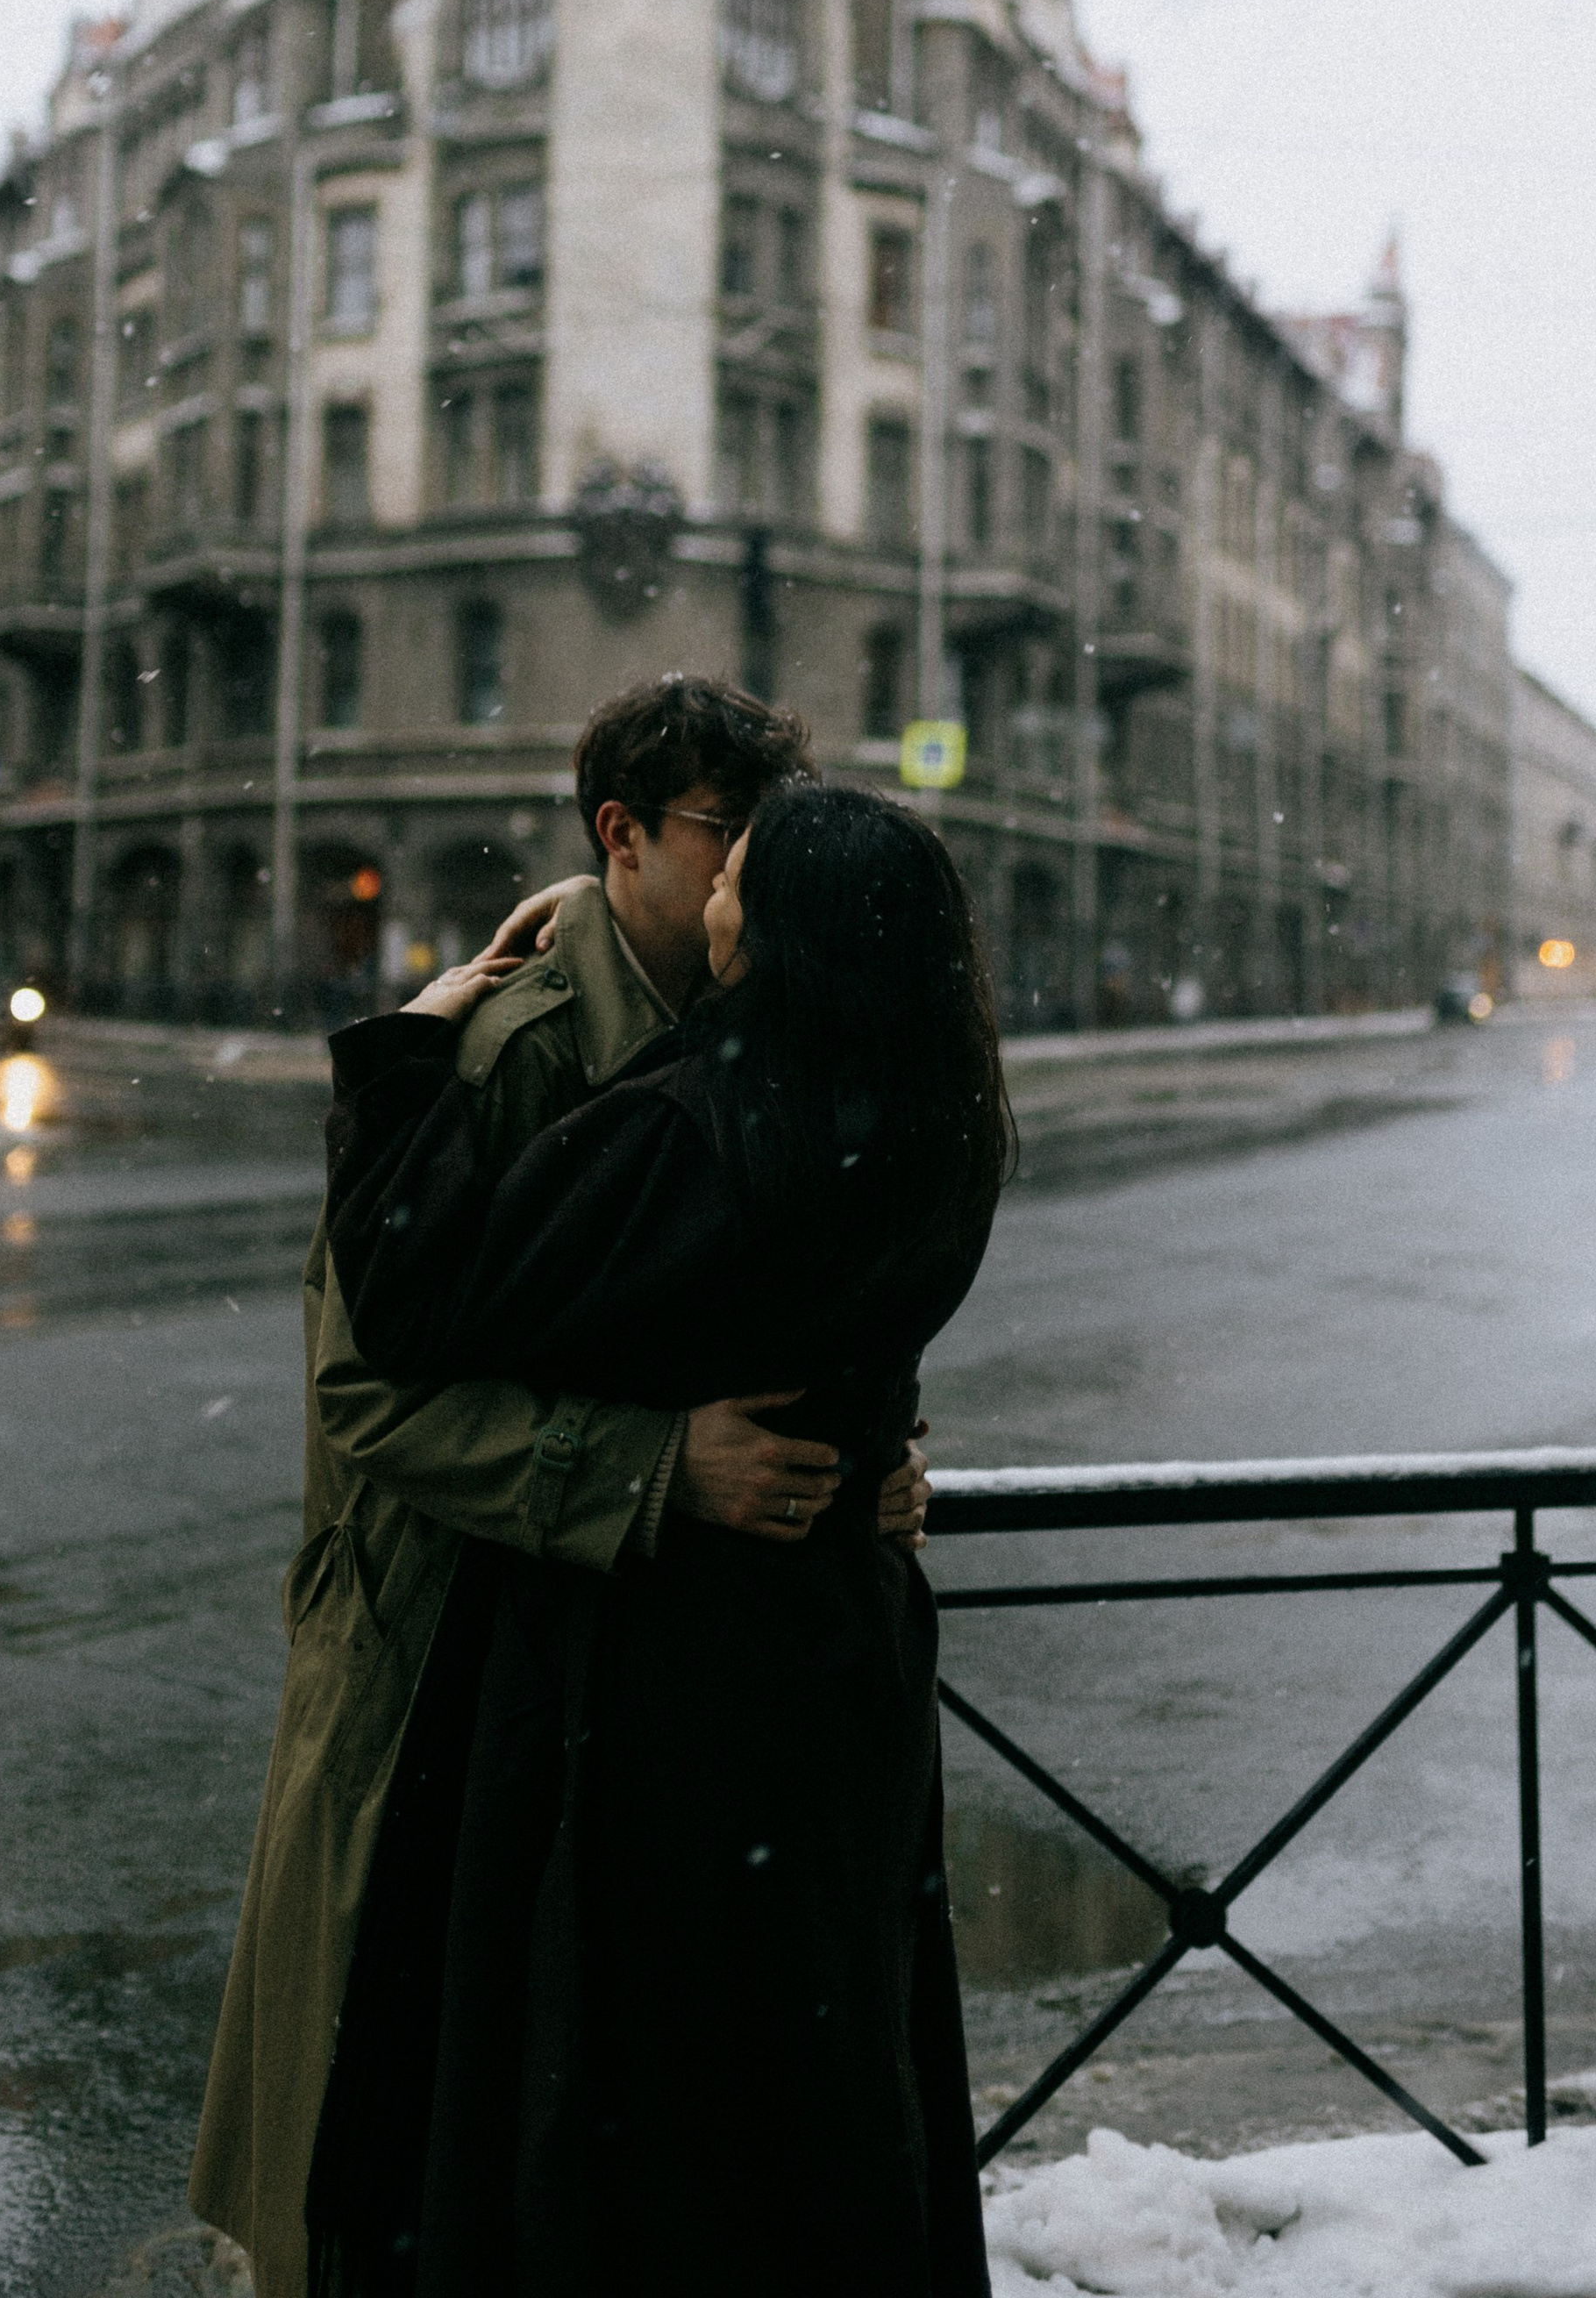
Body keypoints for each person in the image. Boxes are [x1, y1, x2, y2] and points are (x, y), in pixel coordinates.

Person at [189, 682, 934, 2294]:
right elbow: (367, 1382)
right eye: (731, 842)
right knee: (402, 2140)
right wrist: (660, 1470)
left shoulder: (758, 1036)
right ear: (628, 839)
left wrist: (875, 1451)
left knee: (584, 2149)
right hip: (445, 1639)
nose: (754, 876)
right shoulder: (516, 1045)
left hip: (611, 1676)